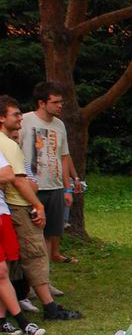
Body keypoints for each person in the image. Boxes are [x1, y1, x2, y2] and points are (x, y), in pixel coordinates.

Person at [0, 96, 81, 320]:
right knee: (35, 253)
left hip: (13, 206)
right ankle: (50, 308)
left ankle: (17, 303)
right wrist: (37, 204)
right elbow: (17, 180)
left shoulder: (8, 142)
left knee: (14, 259)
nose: (20, 118)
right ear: (1, 118)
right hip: (19, 205)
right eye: (15, 114)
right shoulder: (7, 144)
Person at [20, 81, 81, 265]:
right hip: (32, 189)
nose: (60, 105)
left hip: (55, 188)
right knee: (32, 236)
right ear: (41, 103)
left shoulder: (59, 125)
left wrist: (67, 188)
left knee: (49, 235)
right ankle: (30, 283)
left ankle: (45, 280)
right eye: (55, 102)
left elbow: (64, 156)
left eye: (61, 102)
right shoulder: (24, 121)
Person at [0, 145, 44, 335]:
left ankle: (1, 321)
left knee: (5, 270)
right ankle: (23, 322)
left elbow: (8, 175)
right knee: (1, 271)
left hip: (2, 213)